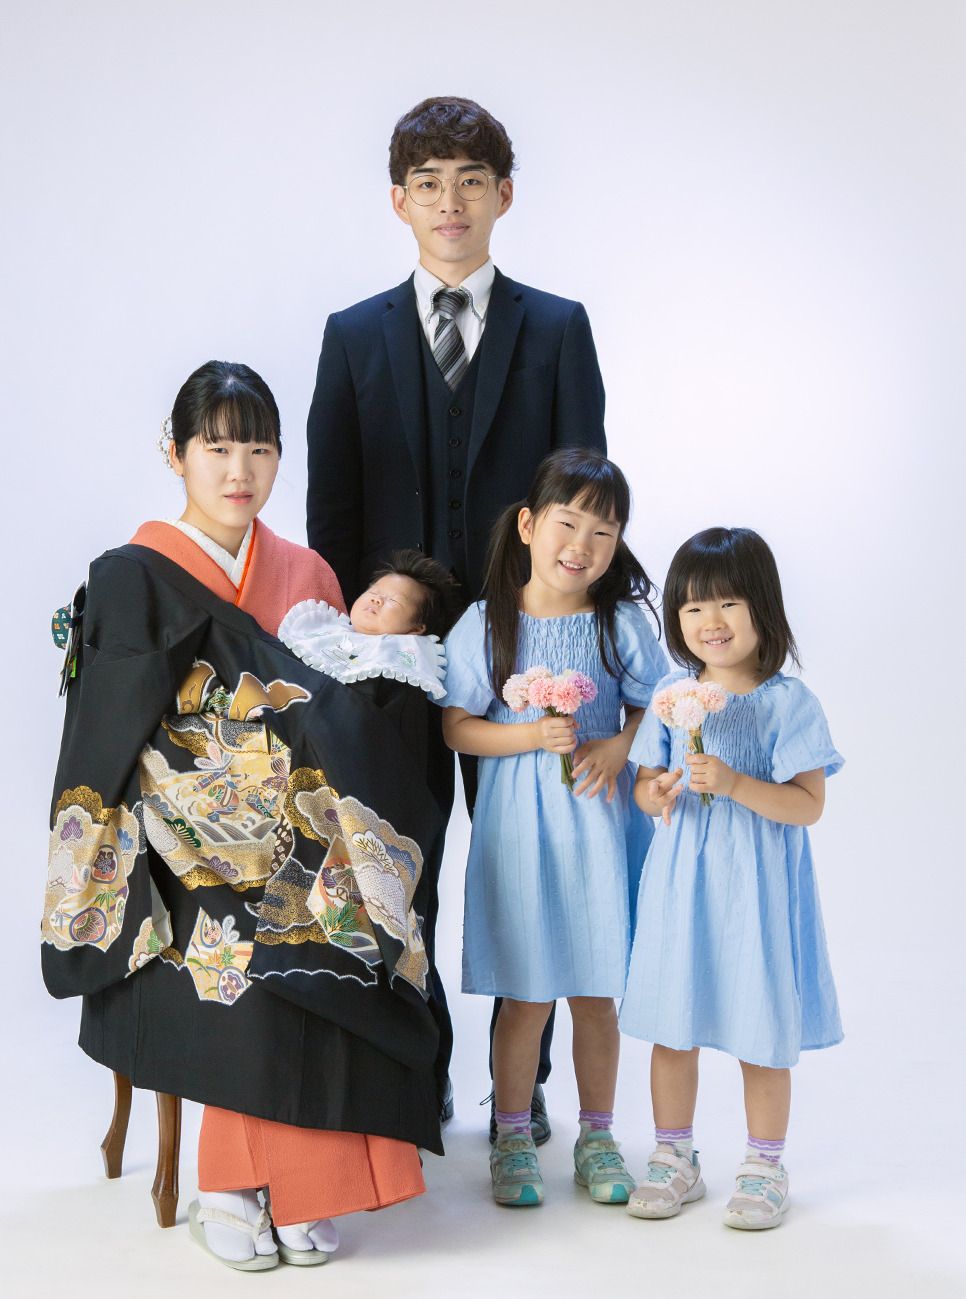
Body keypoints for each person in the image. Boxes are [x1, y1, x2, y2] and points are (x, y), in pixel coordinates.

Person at [42, 361, 445, 1271]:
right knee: (243, 918)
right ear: (175, 453)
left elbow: (345, 710)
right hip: (176, 834)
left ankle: (297, 1179)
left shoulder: (306, 570)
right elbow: (113, 733)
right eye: (217, 447)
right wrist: (212, 808)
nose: (238, 471)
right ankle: (234, 1181)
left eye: (258, 450)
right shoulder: (133, 572)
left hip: (303, 814)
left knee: (348, 904)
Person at [306, 97, 608, 1135]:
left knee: (538, 860)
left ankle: (525, 1089)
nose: (450, 202)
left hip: (525, 650)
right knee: (401, 861)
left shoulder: (557, 329)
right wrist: (356, 647)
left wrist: (570, 625)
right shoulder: (353, 336)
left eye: (470, 181)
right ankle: (414, 1067)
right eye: (428, 183)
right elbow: (334, 511)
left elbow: (582, 493)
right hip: (396, 657)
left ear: (503, 196)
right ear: (399, 201)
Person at [441, 449, 668, 1207]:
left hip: (601, 828)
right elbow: (456, 726)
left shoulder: (619, 622)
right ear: (528, 525)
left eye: (603, 532)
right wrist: (529, 737)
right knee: (526, 995)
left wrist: (618, 744)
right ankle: (511, 1136)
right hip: (521, 829)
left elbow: (656, 704)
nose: (582, 546)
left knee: (597, 993)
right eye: (567, 524)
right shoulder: (488, 621)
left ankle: (597, 1135)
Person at [622, 527, 843, 1230]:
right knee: (671, 1024)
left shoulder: (788, 702)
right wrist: (656, 792)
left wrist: (737, 783)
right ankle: (673, 1157)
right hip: (680, 881)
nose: (709, 621)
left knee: (759, 1023)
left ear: (762, 608)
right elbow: (644, 785)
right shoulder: (671, 693)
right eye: (692, 607)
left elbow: (807, 805)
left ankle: (764, 1165)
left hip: (755, 889)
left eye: (727, 603)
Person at [278, 551, 464, 701]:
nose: (376, 599)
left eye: (393, 600)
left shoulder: (401, 662)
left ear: (415, 629)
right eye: (373, 592)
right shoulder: (325, 630)